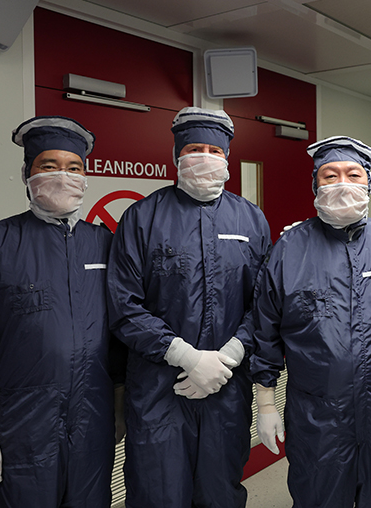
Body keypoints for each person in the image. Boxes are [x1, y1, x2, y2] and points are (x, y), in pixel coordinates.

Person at [0, 116, 119, 506]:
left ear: (86, 178)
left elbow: (129, 326)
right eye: (48, 166)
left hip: (94, 420)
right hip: (23, 425)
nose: (62, 177)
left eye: (74, 168)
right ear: (27, 173)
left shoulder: (106, 245)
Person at [106, 107, 271, 508]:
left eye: (214, 149)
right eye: (194, 148)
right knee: (157, 492)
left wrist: (229, 355)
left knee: (220, 492)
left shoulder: (251, 220)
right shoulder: (142, 218)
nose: (204, 157)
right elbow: (123, 304)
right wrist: (185, 356)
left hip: (227, 389)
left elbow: (266, 305)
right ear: (177, 155)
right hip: (159, 389)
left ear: (227, 157)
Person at [251, 136, 371, 507]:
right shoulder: (289, 248)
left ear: (368, 183)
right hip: (317, 419)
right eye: (330, 175)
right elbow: (265, 328)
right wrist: (264, 402)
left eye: (353, 174)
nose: (342, 183)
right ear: (315, 184)